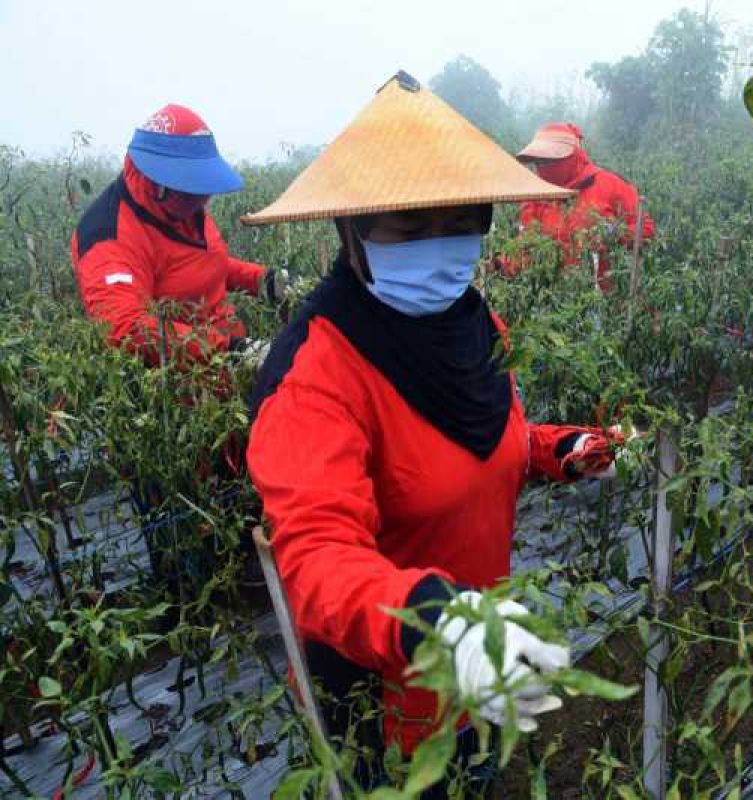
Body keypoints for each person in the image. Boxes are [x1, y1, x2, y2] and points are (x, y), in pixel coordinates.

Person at [242, 71, 627, 795]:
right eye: (408, 227)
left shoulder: (473, 323)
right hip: (386, 701)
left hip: (476, 670)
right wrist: (433, 621)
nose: (440, 246)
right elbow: (318, 556)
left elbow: (488, 440)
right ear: (353, 230)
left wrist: (560, 449)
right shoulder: (316, 374)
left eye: (459, 222)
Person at [71, 104, 281, 367]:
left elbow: (196, 264)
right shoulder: (108, 236)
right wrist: (232, 350)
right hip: (184, 389)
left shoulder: (180, 206)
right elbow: (126, 327)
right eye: (195, 186)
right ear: (159, 183)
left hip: (228, 368)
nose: (205, 199)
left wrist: (264, 280)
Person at [505, 122, 655, 291]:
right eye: (539, 161)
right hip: (556, 298)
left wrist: (614, 234)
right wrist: (500, 265)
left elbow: (646, 229)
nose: (543, 167)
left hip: (605, 296)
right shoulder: (536, 197)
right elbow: (527, 246)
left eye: (549, 160)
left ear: (571, 156)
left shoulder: (608, 185)